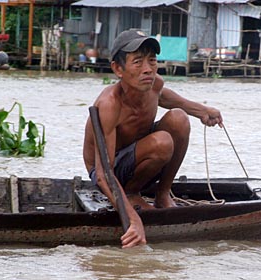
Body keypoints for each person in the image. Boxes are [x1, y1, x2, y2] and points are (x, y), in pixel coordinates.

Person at [83, 29, 223, 248]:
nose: (147, 69)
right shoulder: (110, 104)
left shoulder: (153, 83)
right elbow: (103, 173)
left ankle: (162, 193)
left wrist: (202, 110)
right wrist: (132, 218)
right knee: (162, 142)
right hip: (109, 169)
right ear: (118, 69)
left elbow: (165, 97)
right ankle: (130, 195)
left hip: (140, 157)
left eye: (152, 60)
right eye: (137, 62)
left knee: (179, 119)